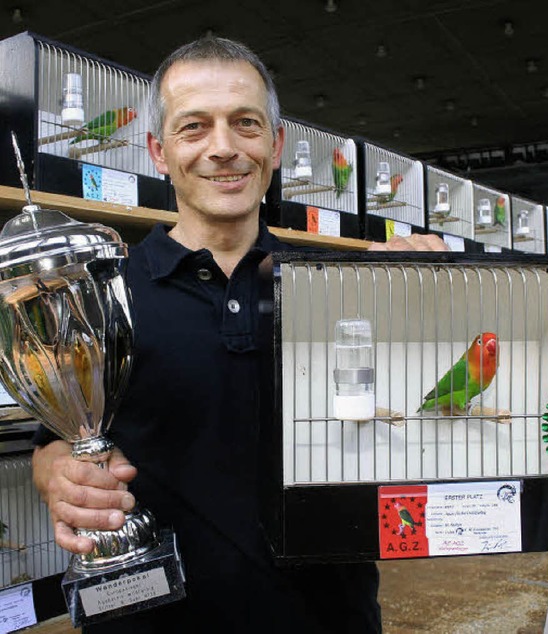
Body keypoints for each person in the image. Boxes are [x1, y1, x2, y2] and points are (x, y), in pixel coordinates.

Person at [31, 35, 448, 633]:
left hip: (328, 619)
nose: (223, 148)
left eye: (245, 124)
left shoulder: (346, 291)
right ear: (157, 151)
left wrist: (433, 299)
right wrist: (56, 476)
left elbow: (425, 413)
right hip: (151, 620)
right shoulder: (101, 296)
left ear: (275, 145)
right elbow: (53, 438)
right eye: (194, 127)